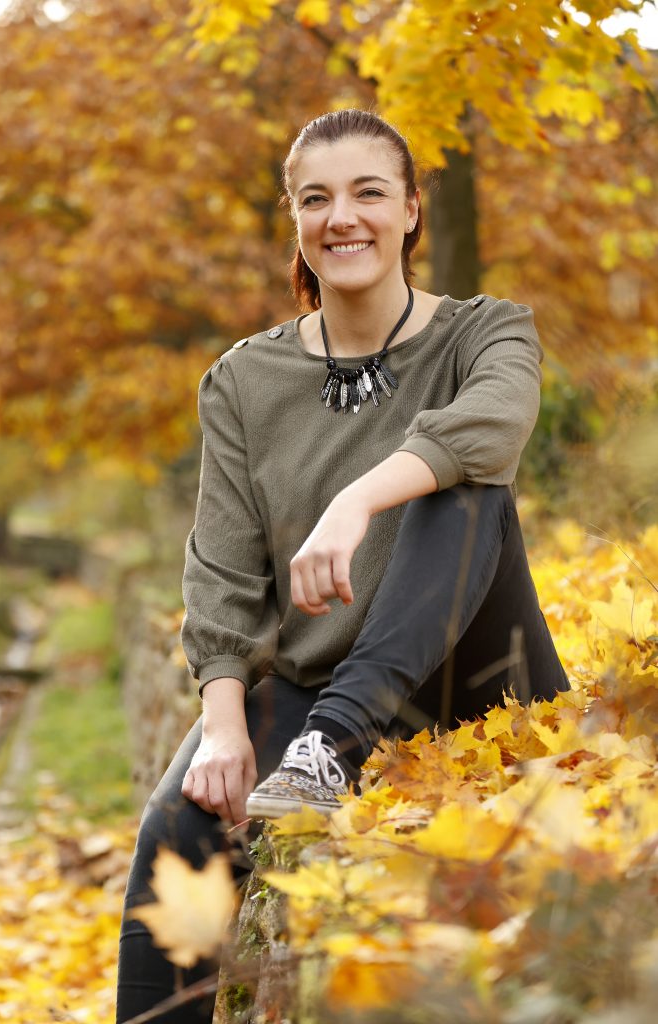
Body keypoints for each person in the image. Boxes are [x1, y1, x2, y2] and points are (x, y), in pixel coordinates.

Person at [116, 108, 570, 1022]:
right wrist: (222, 725)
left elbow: (491, 427)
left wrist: (355, 500)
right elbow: (224, 569)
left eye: (368, 192)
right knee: (176, 833)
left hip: (471, 669)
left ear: (409, 209)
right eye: (315, 198)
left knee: (464, 481)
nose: (342, 217)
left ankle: (331, 745)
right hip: (310, 677)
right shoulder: (244, 381)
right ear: (294, 220)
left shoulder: (487, 331)